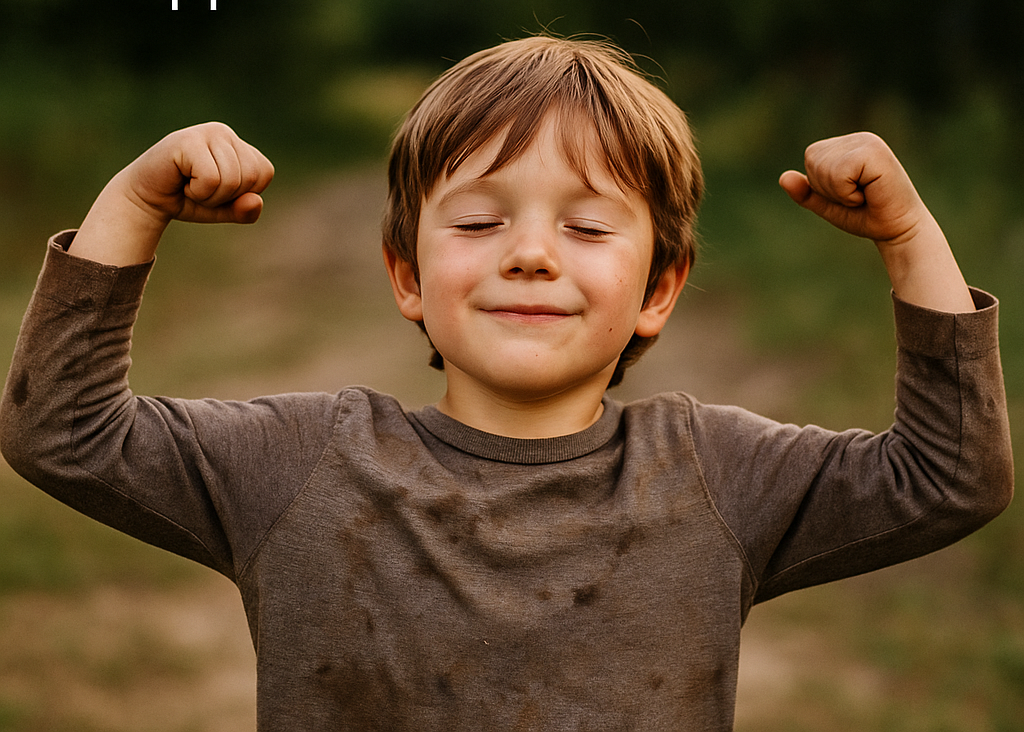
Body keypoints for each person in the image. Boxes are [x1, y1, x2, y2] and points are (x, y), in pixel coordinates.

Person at [0, 35, 1013, 731]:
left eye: (584, 225)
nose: (530, 254)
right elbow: (62, 431)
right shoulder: (297, 466)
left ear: (658, 289)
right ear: (407, 276)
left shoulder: (716, 477)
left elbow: (948, 477)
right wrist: (132, 201)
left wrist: (906, 234)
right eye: (480, 222)